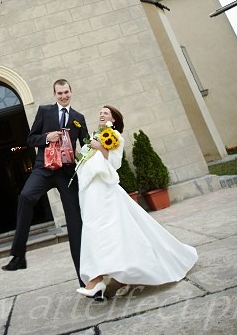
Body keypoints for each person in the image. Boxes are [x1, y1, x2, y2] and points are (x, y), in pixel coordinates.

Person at [76, 105, 198, 300]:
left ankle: (98, 280)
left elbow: (115, 164)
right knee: (103, 231)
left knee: (110, 229)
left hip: (106, 189)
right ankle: (112, 278)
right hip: (92, 190)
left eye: (106, 113)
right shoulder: (93, 136)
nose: (101, 114)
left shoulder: (116, 136)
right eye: (100, 112)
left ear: (113, 119)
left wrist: (101, 149)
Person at [2, 79, 89, 285]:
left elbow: (85, 145)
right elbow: (30, 139)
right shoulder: (44, 111)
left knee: (75, 224)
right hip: (43, 169)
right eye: (59, 93)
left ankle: (85, 281)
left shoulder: (79, 118)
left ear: (71, 91)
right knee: (25, 197)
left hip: (66, 174)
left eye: (66, 92)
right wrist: (46, 138)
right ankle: (19, 255)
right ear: (54, 95)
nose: (63, 96)